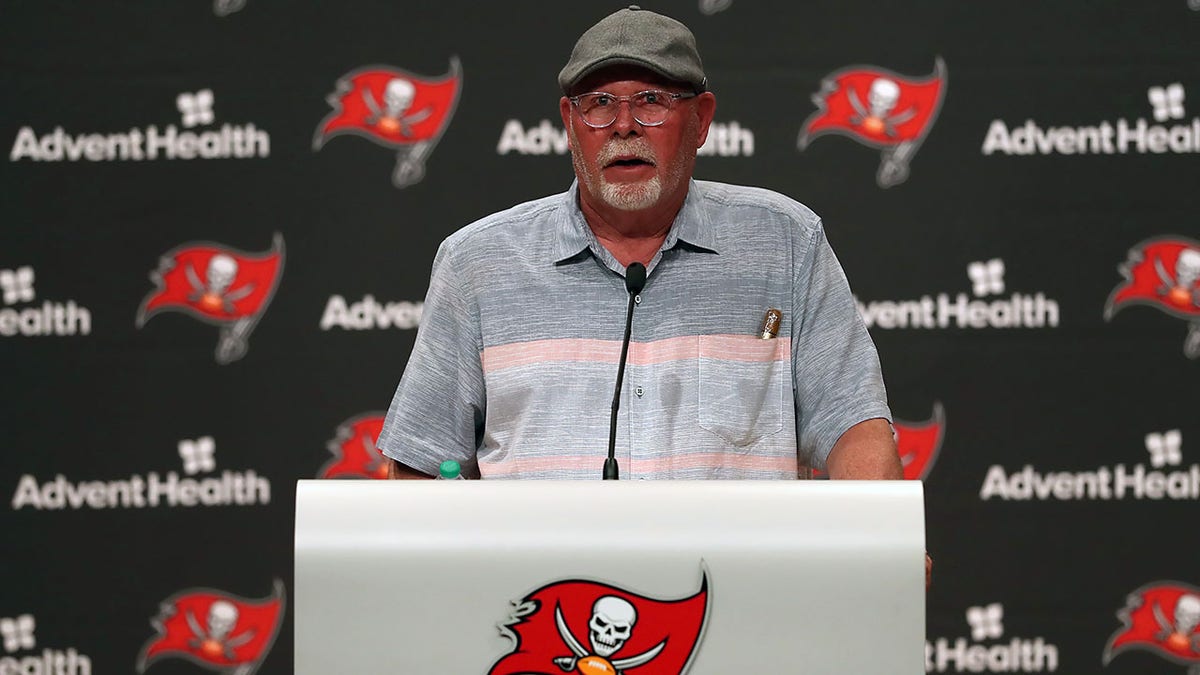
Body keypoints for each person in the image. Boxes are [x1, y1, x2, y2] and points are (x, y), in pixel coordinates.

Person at [378, 6, 902, 484]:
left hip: (738, 586)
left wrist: (883, 551)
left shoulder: (786, 245)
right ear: (569, 124)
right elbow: (421, 461)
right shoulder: (478, 263)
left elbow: (852, 423)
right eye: (599, 105)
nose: (624, 126)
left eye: (651, 102)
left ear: (700, 121)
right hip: (545, 588)